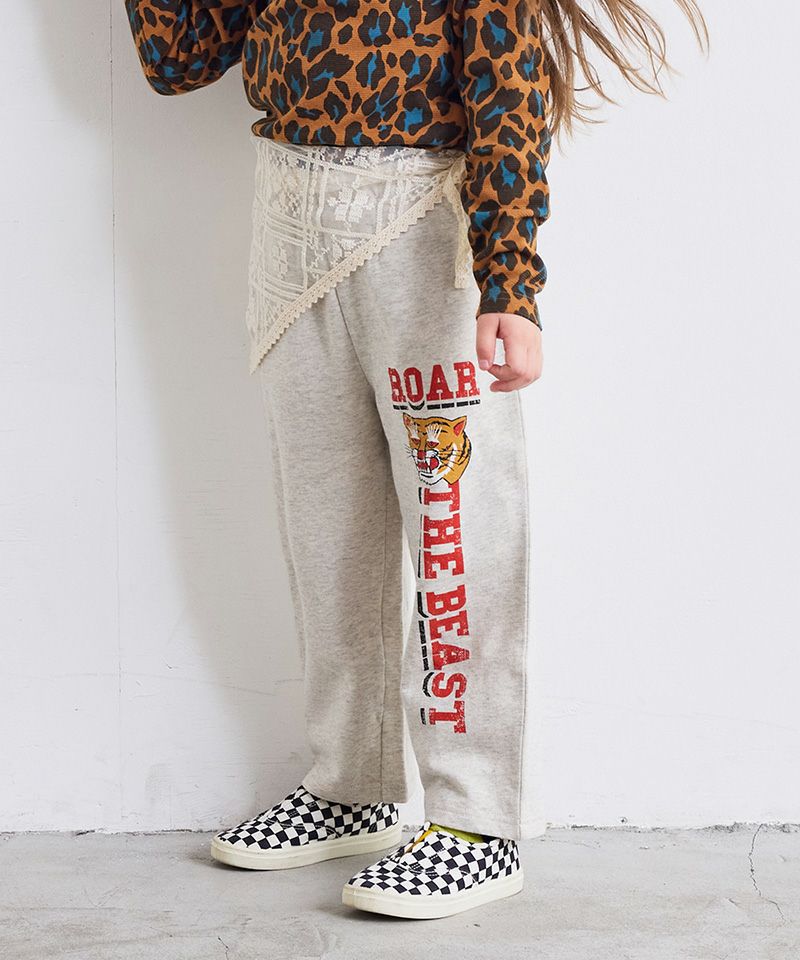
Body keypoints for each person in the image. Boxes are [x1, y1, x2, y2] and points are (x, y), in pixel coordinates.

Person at [124, 0, 707, 920]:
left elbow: (508, 92)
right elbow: (176, 58)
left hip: (423, 230)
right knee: (325, 528)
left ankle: (477, 821)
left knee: (455, 532)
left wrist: (511, 281)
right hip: (289, 227)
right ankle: (351, 784)